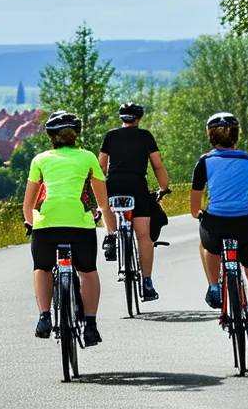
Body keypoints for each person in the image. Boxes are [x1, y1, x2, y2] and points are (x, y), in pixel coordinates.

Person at [23, 111, 115, 346]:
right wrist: (110, 231)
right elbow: (103, 204)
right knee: (87, 271)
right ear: (76, 134)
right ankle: (91, 325)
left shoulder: (40, 160)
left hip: (46, 224)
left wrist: (31, 223)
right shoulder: (88, 158)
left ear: (50, 136)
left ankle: (44, 317)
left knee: (43, 268)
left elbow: (28, 206)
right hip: (79, 224)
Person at [190, 112, 248, 361]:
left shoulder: (204, 162)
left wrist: (203, 214)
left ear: (210, 136)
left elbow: (195, 210)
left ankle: (215, 287)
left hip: (215, 226)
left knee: (204, 244)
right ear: (236, 136)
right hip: (245, 226)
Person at [98, 102, 170, 301]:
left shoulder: (110, 136)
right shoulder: (145, 136)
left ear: (122, 117)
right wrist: (163, 187)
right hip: (137, 185)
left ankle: (111, 235)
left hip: (114, 184)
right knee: (143, 236)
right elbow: (157, 165)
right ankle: (147, 282)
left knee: (106, 205)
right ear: (139, 118)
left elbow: (101, 166)